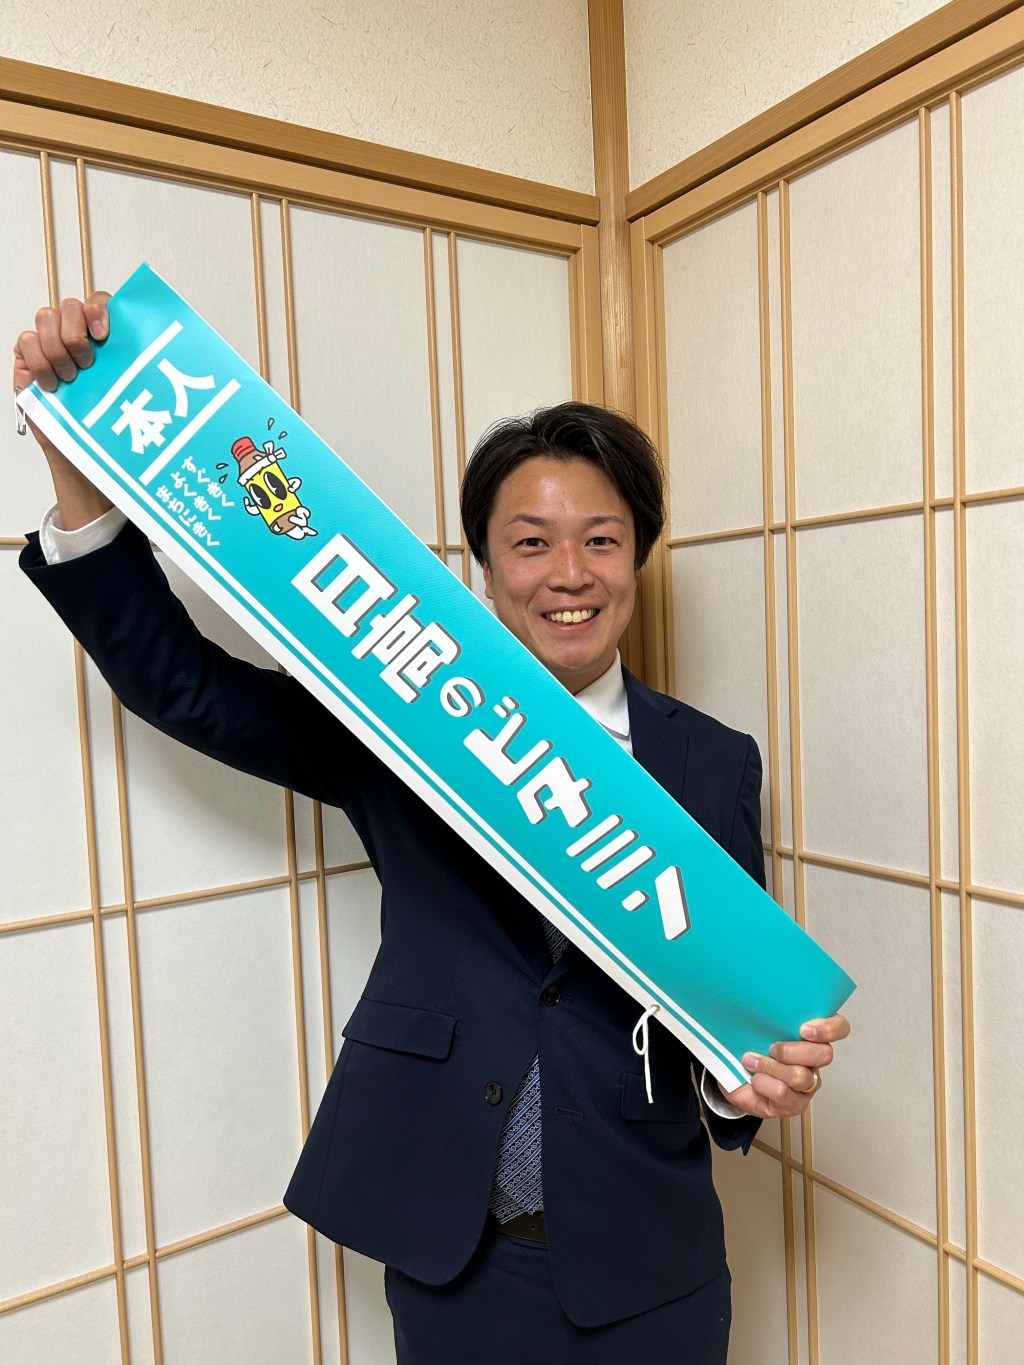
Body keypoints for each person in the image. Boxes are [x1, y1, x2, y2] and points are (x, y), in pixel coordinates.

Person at [15, 293, 850, 1364]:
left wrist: (744, 1086)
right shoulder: (404, 714)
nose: (569, 574)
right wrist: (78, 464)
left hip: (649, 1260)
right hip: (453, 1248)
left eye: (600, 540)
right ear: (485, 570)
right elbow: (183, 686)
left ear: (637, 555)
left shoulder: (714, 761)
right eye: (531, 543)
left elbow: (726, 1007)